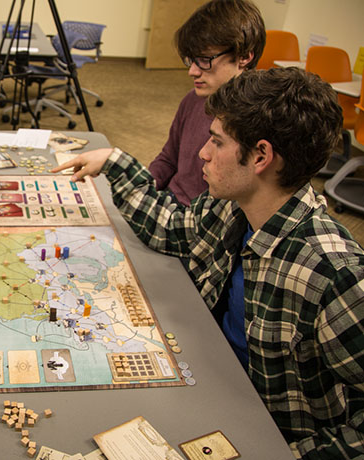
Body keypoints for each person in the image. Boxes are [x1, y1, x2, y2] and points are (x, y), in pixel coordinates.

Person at [52, 67, 364, 458]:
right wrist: (114, 162)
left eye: (216, 142)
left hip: (269, 434)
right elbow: (169, 227)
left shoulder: (336, 274)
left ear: (261, 156)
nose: (202, 152)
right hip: (208, 379)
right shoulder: (232, 206)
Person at [147, 0, 265, 205]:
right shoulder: (192, 99)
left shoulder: (258, 121)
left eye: (204, 59)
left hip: (201, 221)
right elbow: (168, 159)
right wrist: (143, 190)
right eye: (190, 60)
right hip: (169, 200)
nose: (192, 71)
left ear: (244, 56)